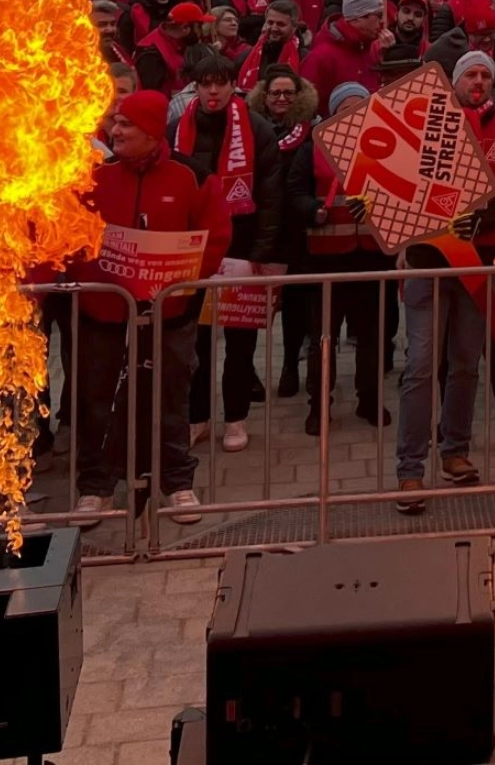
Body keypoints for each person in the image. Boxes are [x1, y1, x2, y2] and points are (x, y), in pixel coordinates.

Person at [72, 90, 231, 528]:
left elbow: (214, 237)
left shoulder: (193, 176)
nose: (114, 131)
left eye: (125, 125)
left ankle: (176, 481)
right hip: (104, 313)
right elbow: (73, 236)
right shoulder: (95, 179)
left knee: (170, 395)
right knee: (96, 398)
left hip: (168, 313)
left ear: (152, 131)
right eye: (114, 123)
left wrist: (178, 282)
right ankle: (96, 487)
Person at [396, 50, 495, 503]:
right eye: (470, 74)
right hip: (430, 259)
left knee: (465, 361)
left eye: (485, 74)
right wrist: (376, 208)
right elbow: (395, 182)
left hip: (481, 261)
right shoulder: (425, 123)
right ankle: (410, 467)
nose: (478, 81)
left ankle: (454, 451)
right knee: (422, 364)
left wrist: (487, 218)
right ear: (455, 81)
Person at [174, 52, 283, 453]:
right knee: (195, 343)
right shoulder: (177, 128)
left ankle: (235, 418)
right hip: (194, 252)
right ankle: (197, 416)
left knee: (240, 342)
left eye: (221, 82)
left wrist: (263, 250)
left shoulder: (256, 128)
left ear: (233, 85)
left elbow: (271, 196)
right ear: (196, 88)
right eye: (206, 84)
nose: (214, 91)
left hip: (242, 246)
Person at [287, 82, 390, 438]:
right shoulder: (312, 149)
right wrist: (312, 210)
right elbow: (295, 192)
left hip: (373, 259)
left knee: (373, 337)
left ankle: (371, 399)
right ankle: (319, 407)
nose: (354, 115)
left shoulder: (386, 147)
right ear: (333, 112)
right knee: (323, 339)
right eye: (346, 108)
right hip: (327, 261)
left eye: (361, 108)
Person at [248, 64, 319, 400]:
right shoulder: (250, 130)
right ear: (264, 96)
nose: (281, 98)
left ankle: (291, 365)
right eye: (274, 92)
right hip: (260, 229)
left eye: (288, 93)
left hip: (296, 232)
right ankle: (247, 374)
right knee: (250, 307)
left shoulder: (312, 131)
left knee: (295, 306)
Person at [301, 0, 390, 106]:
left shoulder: (371, 47)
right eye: (378, 15)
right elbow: (305, 107)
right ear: (358, 18)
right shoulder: (321, 56)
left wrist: (389, 56)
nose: (383, 21)